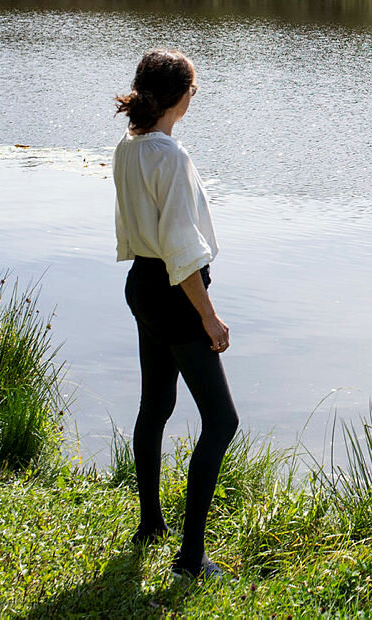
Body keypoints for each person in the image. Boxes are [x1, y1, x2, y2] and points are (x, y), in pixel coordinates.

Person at [113, 49, 238, 579]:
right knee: (222, 420)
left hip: (141, 285)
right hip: (174, 289)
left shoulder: (129, 146)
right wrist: (208, 316)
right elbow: (181, 249)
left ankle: (150, 524)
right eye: (194, 89)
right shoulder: (170, 156)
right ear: (178, 97)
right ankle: (190, 558)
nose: (195, 97)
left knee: (156, 405)